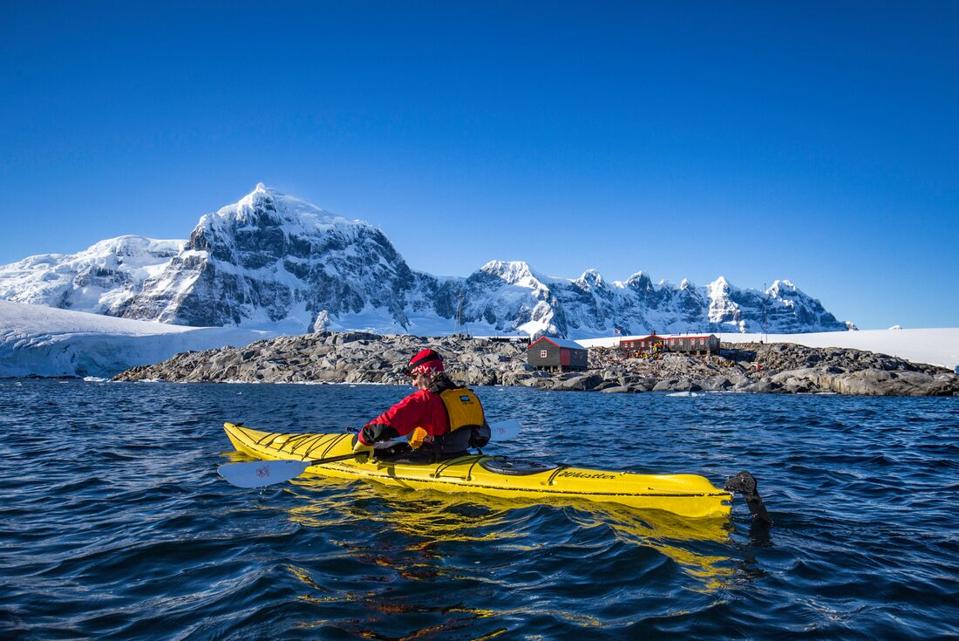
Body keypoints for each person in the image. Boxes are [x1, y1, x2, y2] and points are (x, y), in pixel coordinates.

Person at [352, 348, 490, 462]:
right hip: (462, 456)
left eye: (414, 377)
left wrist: (365, 439)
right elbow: (482, 438)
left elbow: (387, 423)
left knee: (380, 451)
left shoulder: (424, 399)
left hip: (430, 459)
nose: (413, 383)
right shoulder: (470, 397)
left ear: (426, 373)